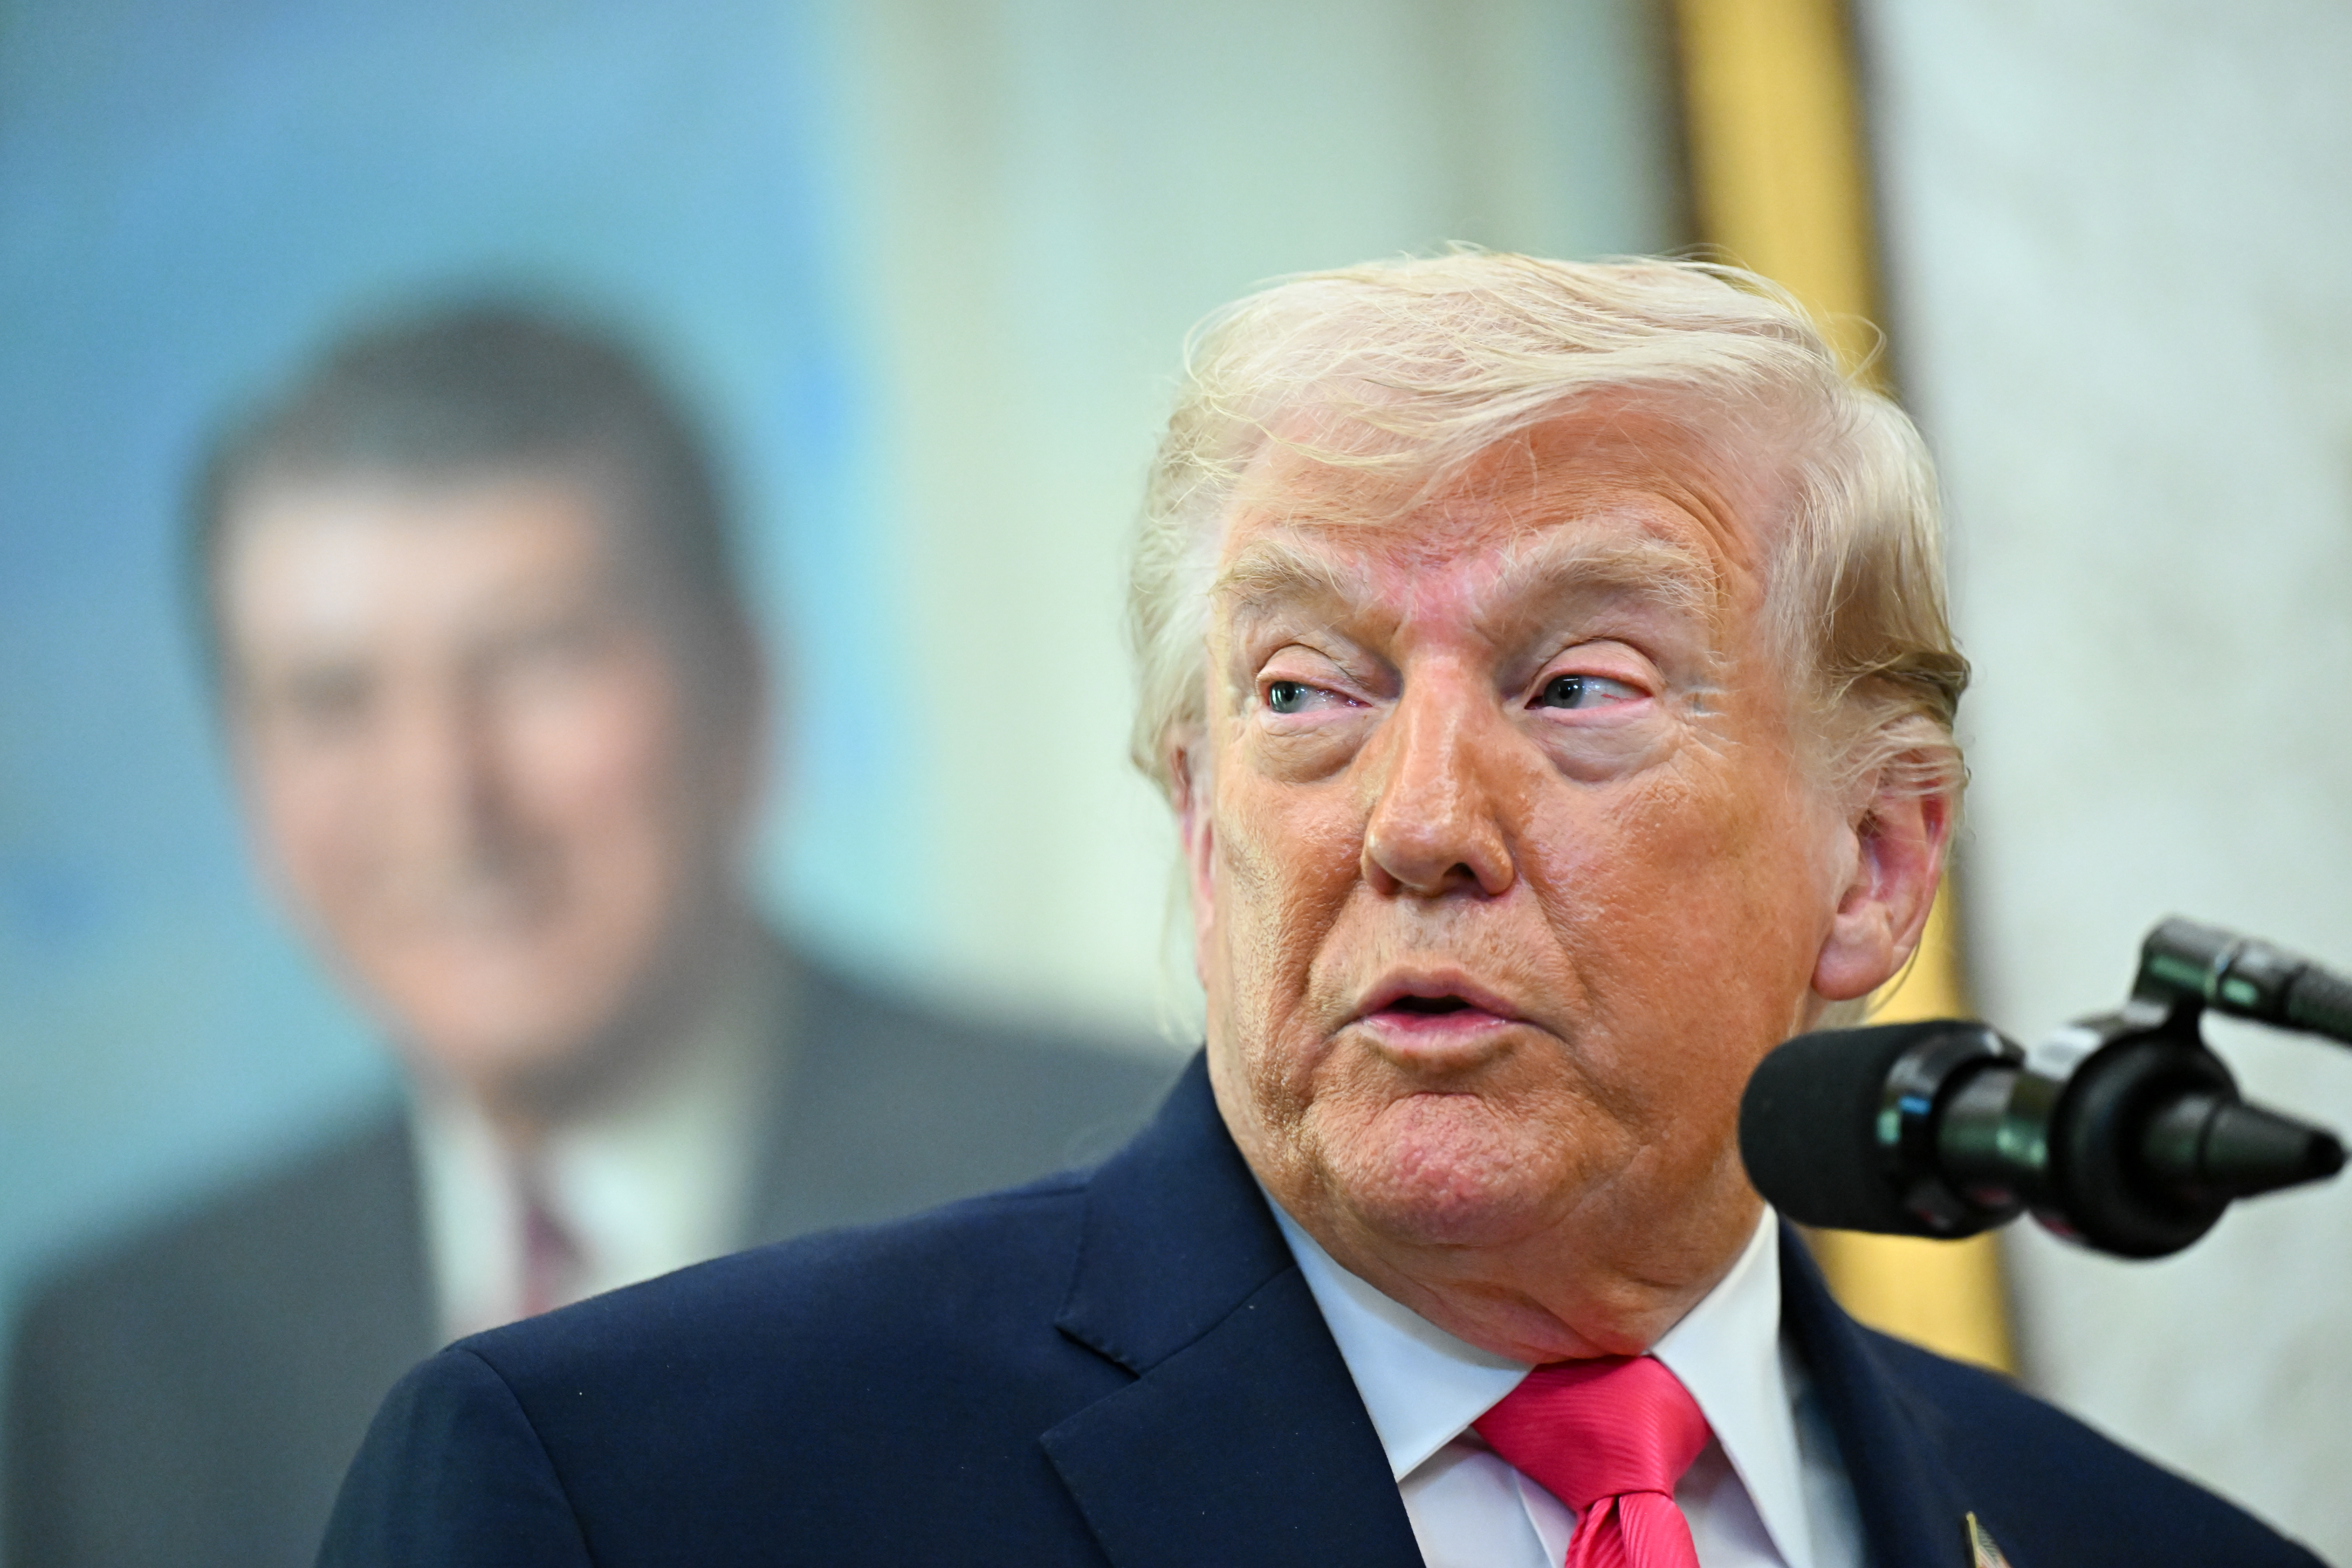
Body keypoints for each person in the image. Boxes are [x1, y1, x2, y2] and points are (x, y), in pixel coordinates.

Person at [315, 256, 2321, 1567]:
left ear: (1878, 860)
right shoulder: (636, 1493)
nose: (1419, 819)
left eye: (1580, 686)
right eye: (1304, 694)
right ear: (1201, 820)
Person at [2, 305, 1177, 1568]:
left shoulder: (1143, 1208)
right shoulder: (115, 1364)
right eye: (331, 698)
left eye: (537, 657)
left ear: (743, 689)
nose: (444, 798)